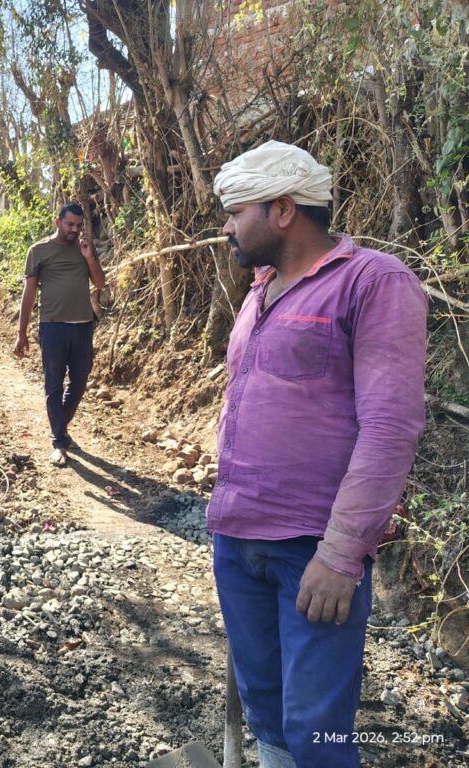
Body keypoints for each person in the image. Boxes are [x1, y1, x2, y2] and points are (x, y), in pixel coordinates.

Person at [208, 140, 427, 768]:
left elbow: (390, 427)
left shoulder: (373, 282)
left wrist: (340, 554)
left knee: (316, 729)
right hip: (237, 538)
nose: (227, 227)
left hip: (312, 549)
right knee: (267, 711)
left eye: (236, 212)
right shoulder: (260, 289)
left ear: (283, 210)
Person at [12, 202, 106, 467]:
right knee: (53, 385)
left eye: (78, 225)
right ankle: (59, 443)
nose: (74, 230)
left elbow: (100, 282)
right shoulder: (38, 251)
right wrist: (21, 332)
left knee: (79, 382)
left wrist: (89, 256)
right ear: (58, 222)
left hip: (83, 326)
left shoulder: (84, 248)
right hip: (53, 327)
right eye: (69, 224)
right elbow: (29, 294)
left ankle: (60, 428)